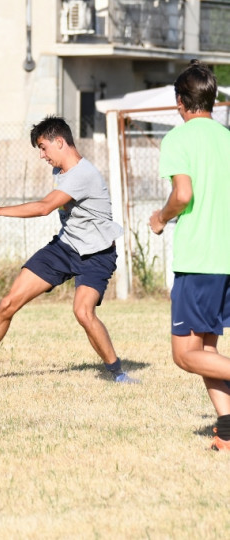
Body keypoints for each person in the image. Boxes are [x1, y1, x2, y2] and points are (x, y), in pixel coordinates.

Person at [0, 115, 138, 384]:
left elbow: (44, 207)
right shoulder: (60, 171)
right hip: (65, 247)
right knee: (9, 302)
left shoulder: (83, 174)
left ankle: (118, 373)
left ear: (59, 142)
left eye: (43, 147)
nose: (41, 155)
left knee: (83, 312)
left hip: (97, 254)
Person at [149, 59, 230, 451]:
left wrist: (161, 218)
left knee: (185, 355)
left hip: (199, 260)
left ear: (180, 101)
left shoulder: (178, 139)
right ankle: (226, 435)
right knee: (206, 350)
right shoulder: (227, 138)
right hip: (225, 260)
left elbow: (183, 195)